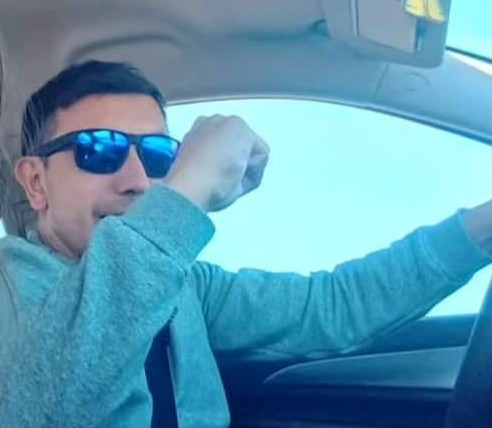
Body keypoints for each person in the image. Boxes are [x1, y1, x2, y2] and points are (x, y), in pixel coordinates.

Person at [0, 60, 491, 428]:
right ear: (36, 183)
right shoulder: (10, 287)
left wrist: (480, 229)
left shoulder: (187, 287)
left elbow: (331, 306)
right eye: (99, 150)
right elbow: (50, 404)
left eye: (157, 155)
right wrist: (186, 193)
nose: (138, 181)